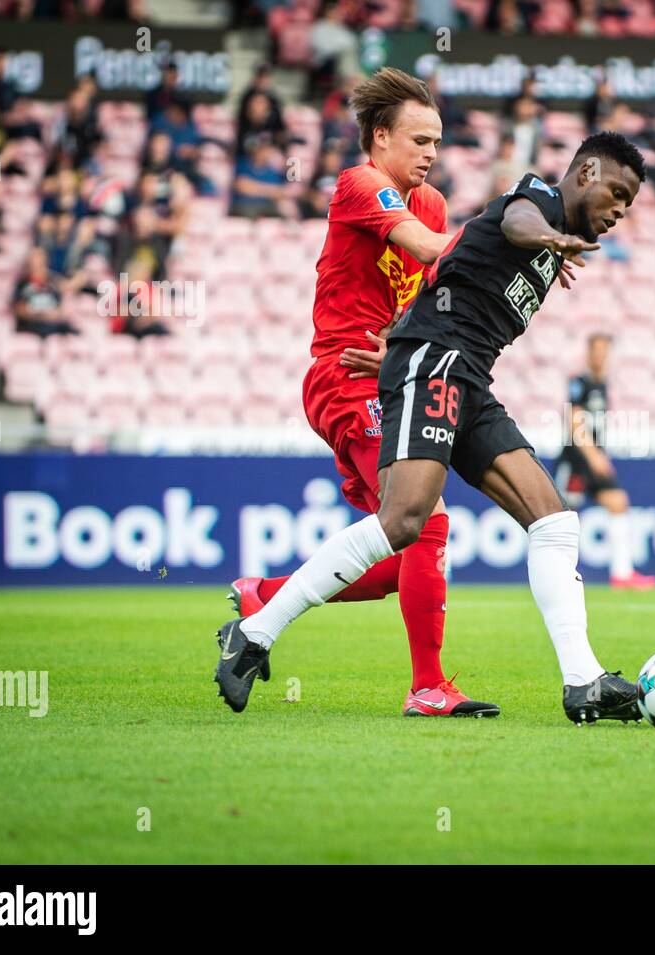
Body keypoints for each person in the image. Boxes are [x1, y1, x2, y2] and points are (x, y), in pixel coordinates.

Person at [214, 132, 647, 725]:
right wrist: (548, 237)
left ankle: (582, 680)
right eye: (617, 192)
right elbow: (518, 219)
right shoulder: (537, 201)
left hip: (469, 379)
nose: (620, 209)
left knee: (553, 518)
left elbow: (453, 270)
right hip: (438, 362)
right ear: (587, 171)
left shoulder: (551, 245)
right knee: (405, 522)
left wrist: (549, 251)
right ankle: (258, 631)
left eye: (630, 203)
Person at [218, 68, 499, 719]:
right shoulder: (358, 185)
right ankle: (428, 686)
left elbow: (433, 299)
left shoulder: (431, 202)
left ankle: (263, 596)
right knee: (425, 520)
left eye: (438, 140)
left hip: (387, 379)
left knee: (397, 552)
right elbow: (431, 249)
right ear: (380, 137)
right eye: (419, 139)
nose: (432, 152)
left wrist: (400, 343)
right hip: (343, 381)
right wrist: (516, 228)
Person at [554, 333, 655, 590]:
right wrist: (593, 456)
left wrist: (601, 455)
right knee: (565, 516)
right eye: (596, 350)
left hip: (595, 460)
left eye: (604, 350)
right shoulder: (579, 383)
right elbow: (574, 421)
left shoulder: (603, 385)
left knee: (618, 503)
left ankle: (622, 573)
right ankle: (558, 573)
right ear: (588, 353)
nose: (600, 355)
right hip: (577, 462)